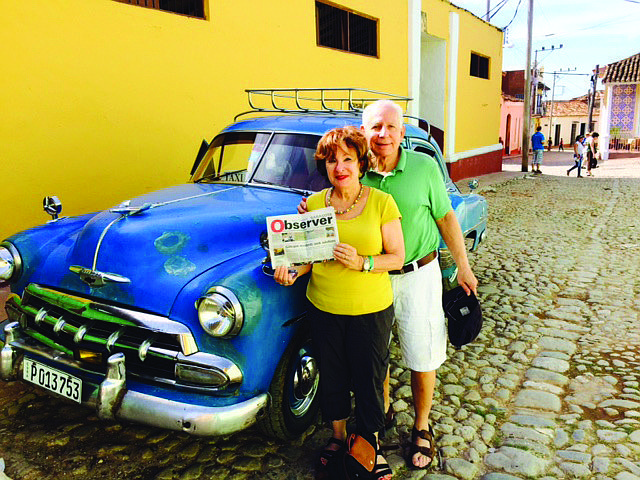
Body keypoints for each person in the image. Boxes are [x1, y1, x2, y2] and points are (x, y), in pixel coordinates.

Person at [298, 101, 478, 471]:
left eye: (390, 127)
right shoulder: (356, 172)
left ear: (401, 132)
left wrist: (462, 265)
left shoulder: (424, 168)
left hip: (416, 273)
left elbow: (445, 218)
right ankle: (372, 429)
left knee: (421, 353)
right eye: (375, 126)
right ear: (363, 132)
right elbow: (328, 221)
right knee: (373, 363)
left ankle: (422, 427)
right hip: (363, 283)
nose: (383, 134)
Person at [276, 126, 404, 480]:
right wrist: (291, 272)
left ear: (362, 163)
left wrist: (363, 262)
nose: (340, 167)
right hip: (324, 306)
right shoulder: (315, 205)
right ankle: (338, 436)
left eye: (348, 158)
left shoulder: (381, 203)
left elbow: (398, 257)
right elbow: (307, 258)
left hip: (370, 310)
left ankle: (369, 446)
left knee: (369, 378)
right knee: (332, 376)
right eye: (332, 160)